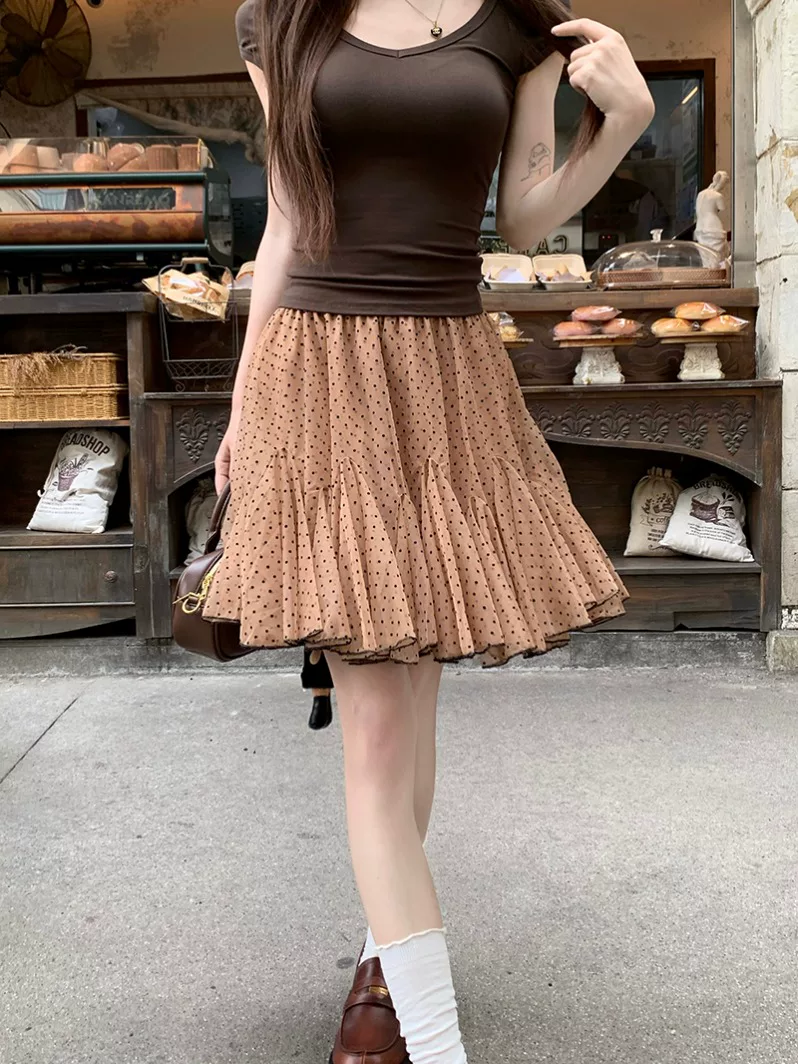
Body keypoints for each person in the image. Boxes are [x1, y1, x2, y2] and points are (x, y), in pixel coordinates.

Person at [204, 2, 653, 1060]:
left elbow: (527, 220)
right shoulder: (284, 17)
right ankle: (436, 1038)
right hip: (319, 371)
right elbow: (287, 220)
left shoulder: (517, 23)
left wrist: (625, 123)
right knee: (374, 726)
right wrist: (243, 404)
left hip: (450, 375)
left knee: (412, 697)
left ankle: (384, 959)